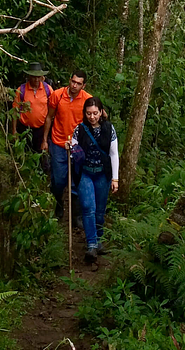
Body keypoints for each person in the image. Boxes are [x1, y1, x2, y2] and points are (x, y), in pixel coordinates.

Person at [70, 97, 118, 264]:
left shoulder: (109, 129)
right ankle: (91, 244)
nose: (92, 117)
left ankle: (99, 240)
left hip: (102, 174)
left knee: (99, 210)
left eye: (95, 113)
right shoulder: (80, 129)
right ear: (85, 113)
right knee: (88, 207)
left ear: (101, 112)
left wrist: (115, 178)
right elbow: (74, 149)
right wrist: (71, 149)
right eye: (89, 113)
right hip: (86, 173)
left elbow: (114, 154)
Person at [42, 70, 89, 219]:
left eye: (78, 83)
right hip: (58, 142)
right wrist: (44, 139)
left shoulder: (87, 100)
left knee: (77, 180)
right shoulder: (57, 95)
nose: (74, 85)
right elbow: (49, 117)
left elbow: (95, 117)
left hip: (77, 146)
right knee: (59, 179)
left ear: (83, 85)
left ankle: (75, 215)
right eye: (73, 81)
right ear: (69, 80)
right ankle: (58, 204)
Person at [13, 63, 52, 153]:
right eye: (34, 77)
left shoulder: (48, 89)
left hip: (41, 129)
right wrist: (14, 131)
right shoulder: (22, 90)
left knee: (41, 155)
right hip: (24, 128)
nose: (36, 79)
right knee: (24, 154)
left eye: (38, 77)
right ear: (29, 76)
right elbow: (15, 110)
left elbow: (52, 109)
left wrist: (45, 139)